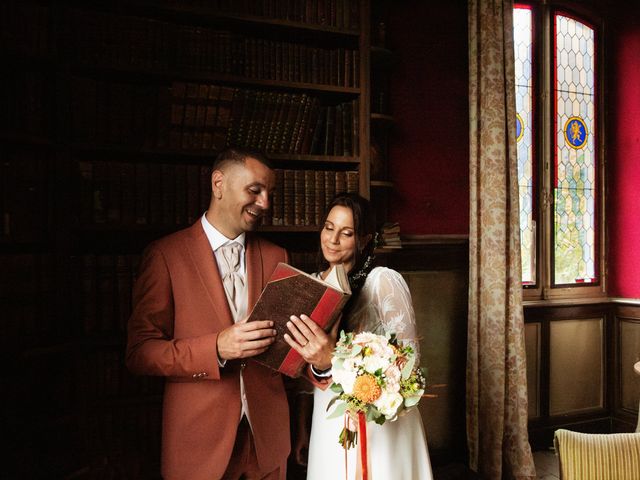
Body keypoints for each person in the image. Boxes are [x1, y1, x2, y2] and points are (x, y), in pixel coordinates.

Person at [126, 147, 290, 480]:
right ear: (218, 184)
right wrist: (215, 348)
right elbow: (139, 353)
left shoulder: (277, 256)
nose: (265, 204)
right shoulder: (165, 255)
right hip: (198, 447)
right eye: (255, 190)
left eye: (269, 194)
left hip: (268, 444)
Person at [284, 192, 434, 480]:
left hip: (378, 421)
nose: (333, 239)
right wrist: (301, 427)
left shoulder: (382, 281)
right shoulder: (312, 285)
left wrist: (341, 364)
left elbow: (411, 367)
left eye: (346, 233)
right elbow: (304, 373)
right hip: (327, 416)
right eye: (328, 228)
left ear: (364, 239)